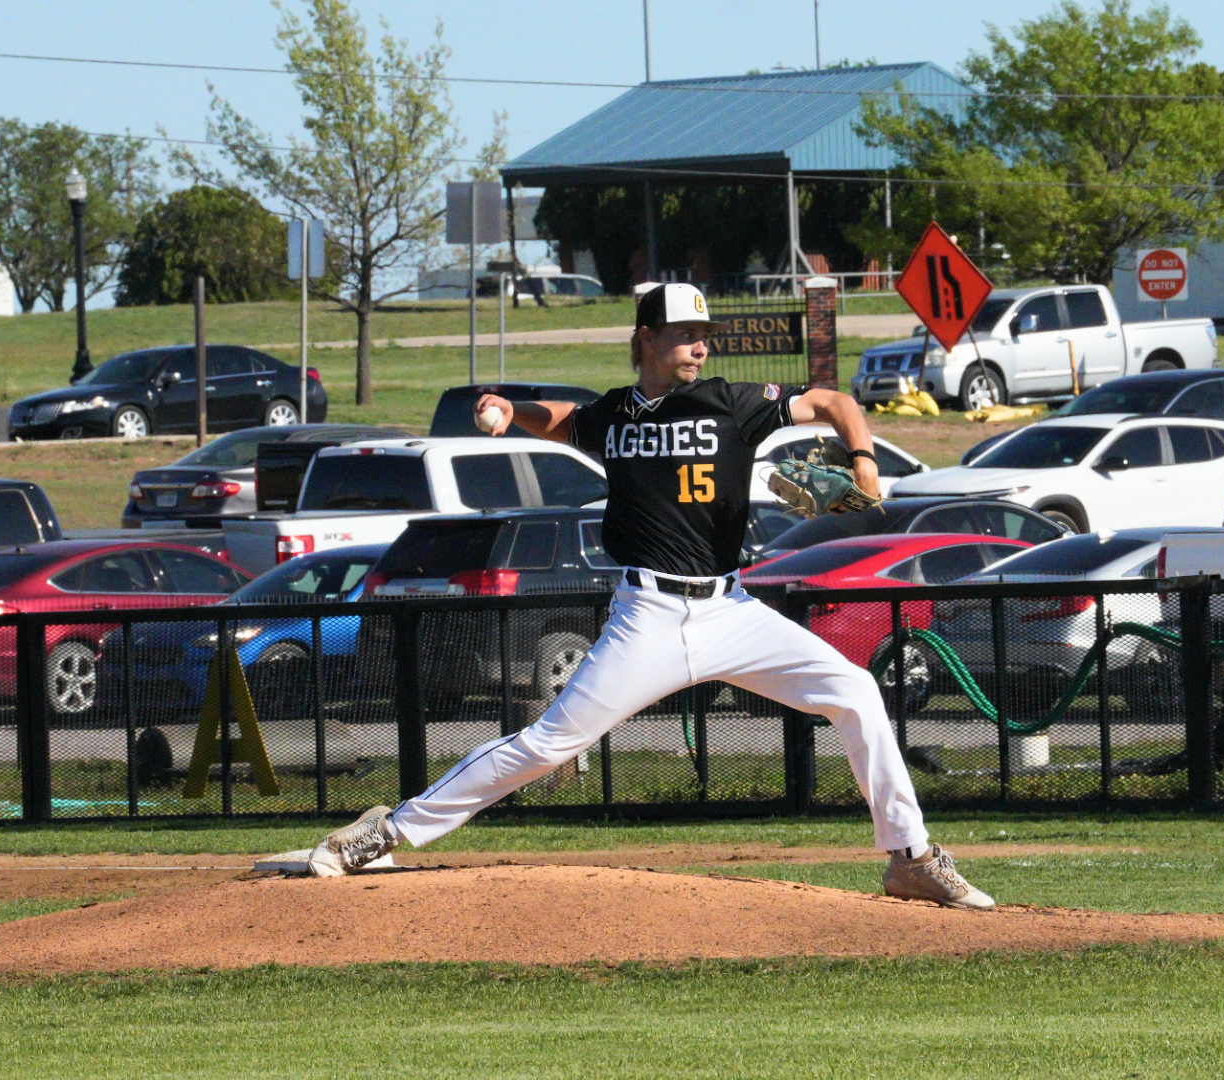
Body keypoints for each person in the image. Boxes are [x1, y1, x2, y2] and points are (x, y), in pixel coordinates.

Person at [300, 282, 994, 908]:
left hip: (731, 610)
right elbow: (564, 419)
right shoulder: (615, 418)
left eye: (705, 334)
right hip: (650, 616)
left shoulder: (733, 402)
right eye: (684, 333)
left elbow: (836, 402)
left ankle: (910, 857)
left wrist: (865, 463)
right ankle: (384, 831)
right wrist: (511, 411)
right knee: (548, 744)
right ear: (646, 341)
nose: (699, 345)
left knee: (855, 692)